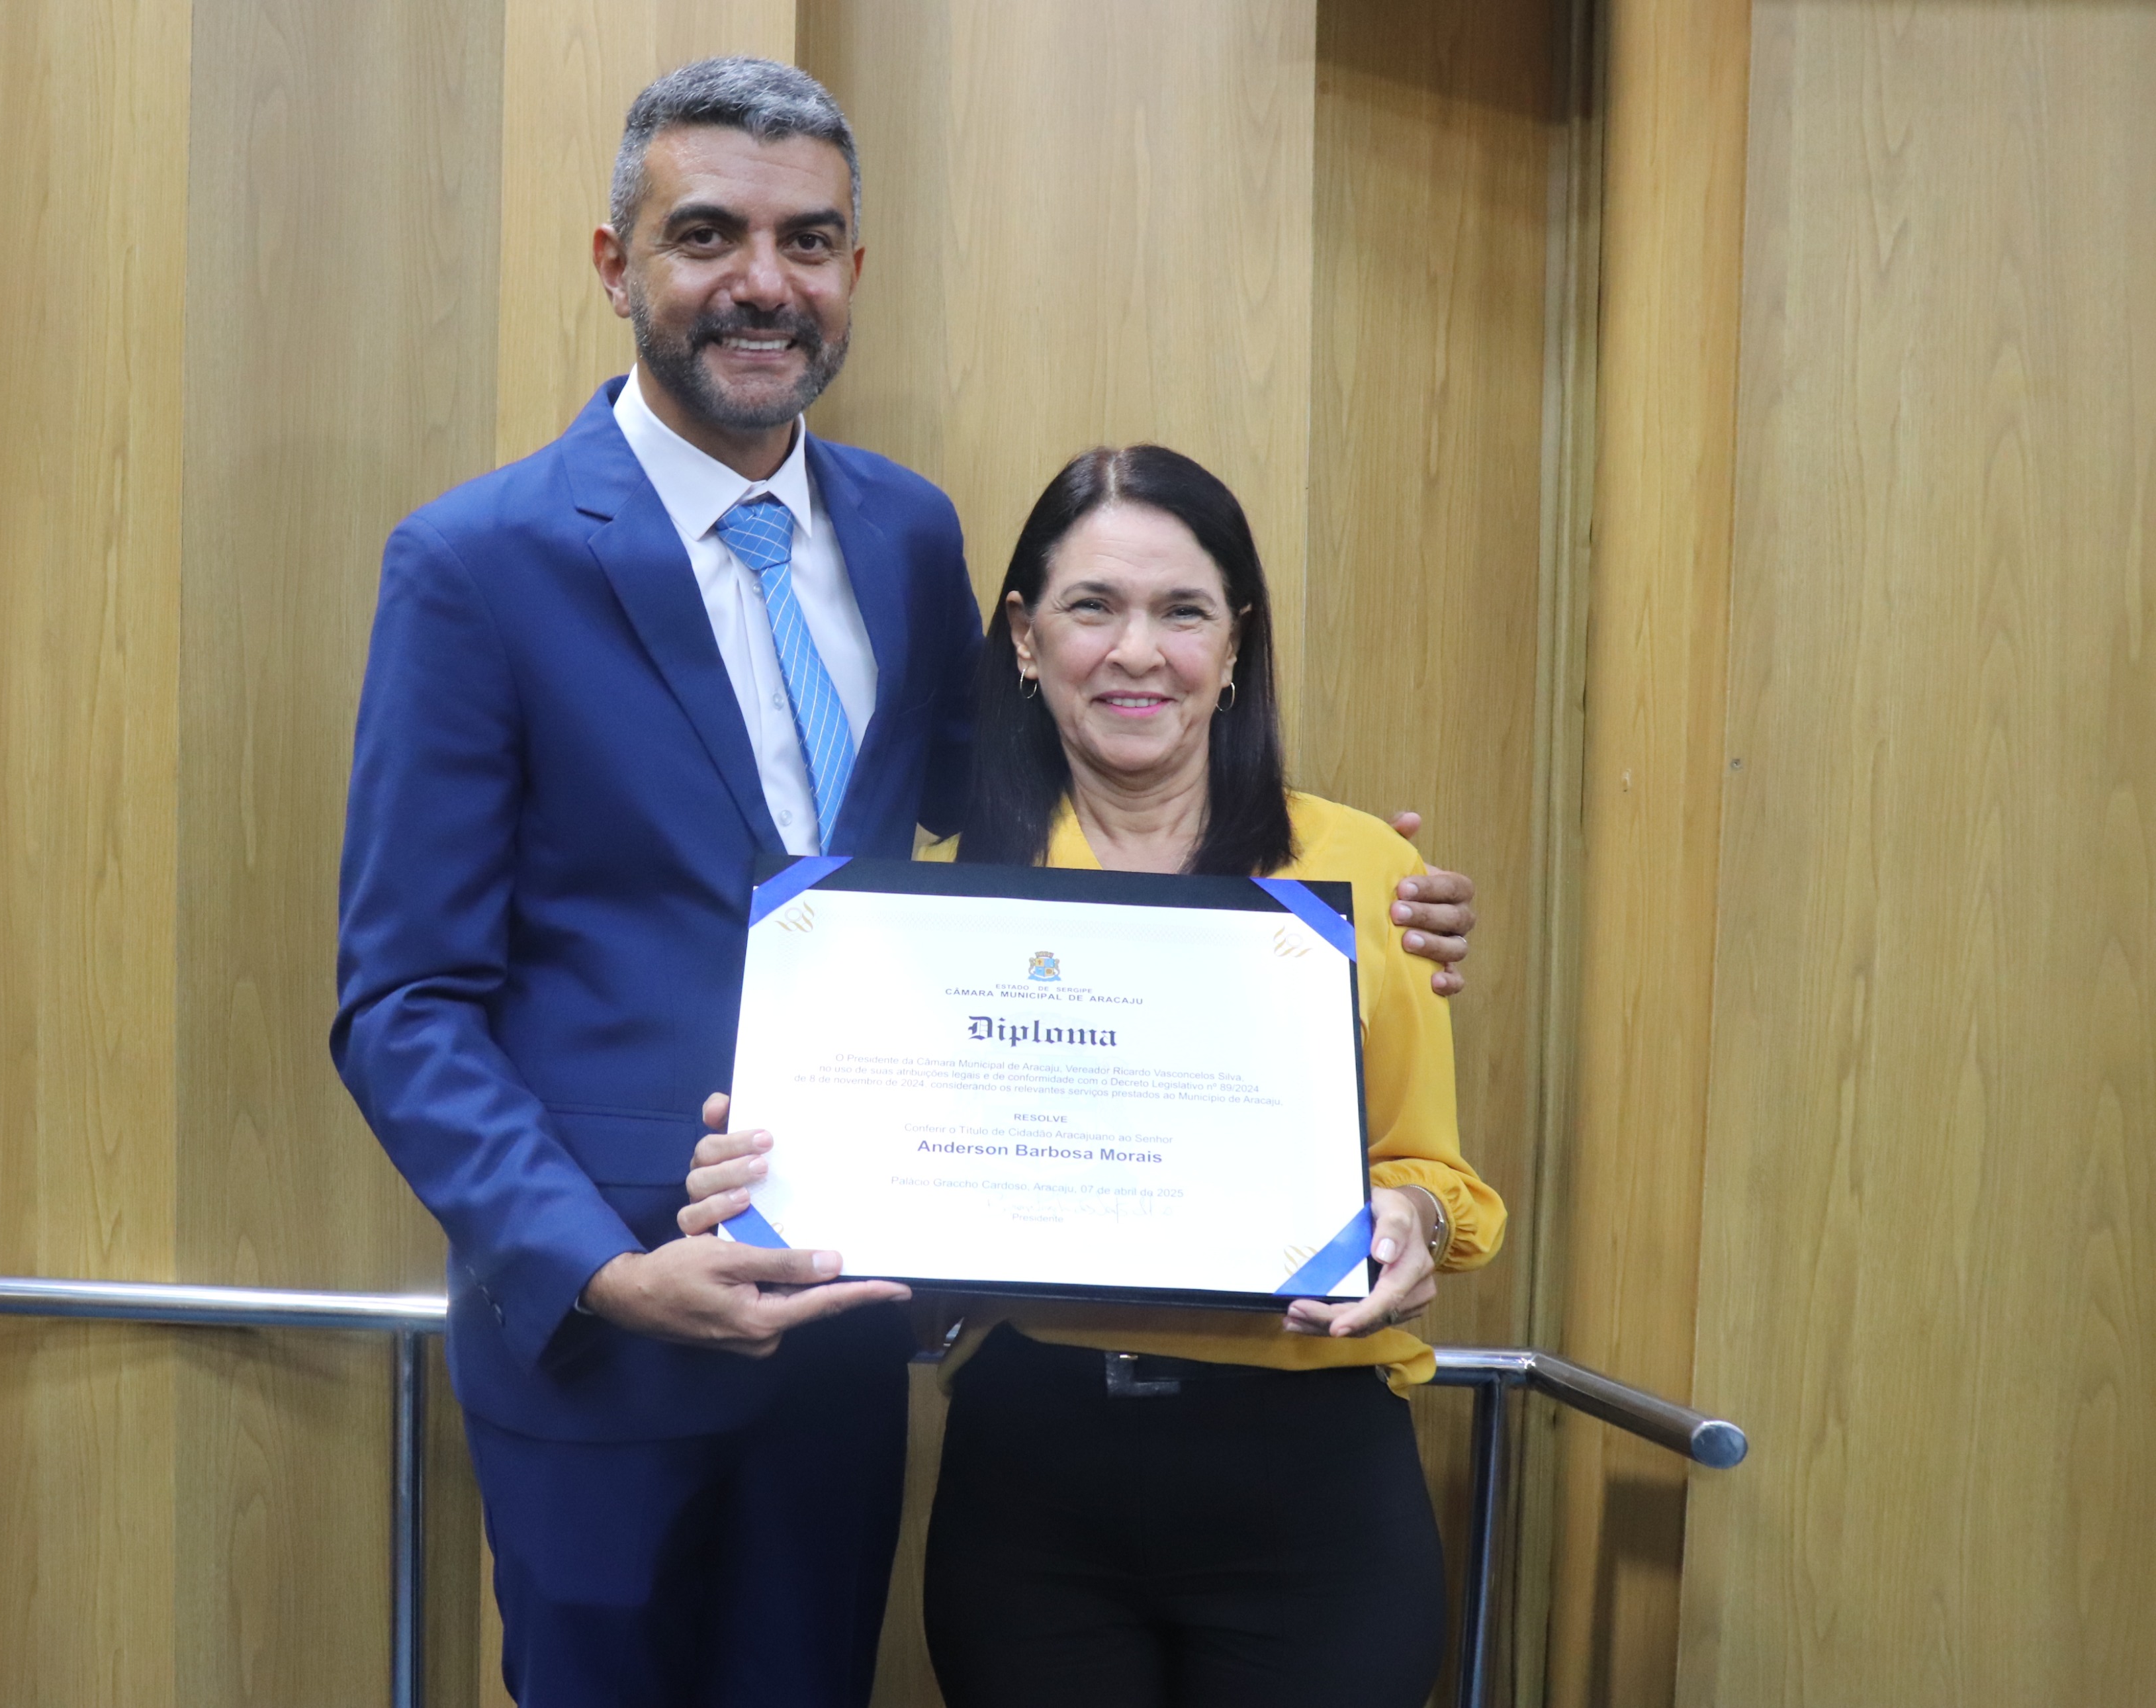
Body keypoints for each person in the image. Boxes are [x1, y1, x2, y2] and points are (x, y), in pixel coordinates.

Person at [336, 57, 1479, 1708]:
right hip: (609, 1339)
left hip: (844, 1327)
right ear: (613, 265)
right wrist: (600, 1267)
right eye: (707, 235)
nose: (762, 281)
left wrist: (1344, 885)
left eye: (807, 241)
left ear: (852, 271)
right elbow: (403, 1002)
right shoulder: (477, 563)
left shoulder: (901, 533)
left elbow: (1025, 814)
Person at [684, 445, 1504, 1708]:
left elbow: (1430, 1170)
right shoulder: (924, 905)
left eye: (1183, 611)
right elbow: (875, 1182)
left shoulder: (1359, 877)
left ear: (1236, 643)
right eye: (1092, 606)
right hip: (1036, 1482)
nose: (1137, 652)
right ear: (1025, 637)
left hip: (1315, 1488)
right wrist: (774, 1178)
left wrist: (1413, 1220)